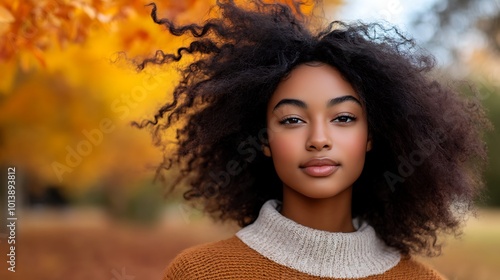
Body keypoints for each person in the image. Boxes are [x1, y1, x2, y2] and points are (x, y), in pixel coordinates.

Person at [132, 0, 491, 279]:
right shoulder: (200, 273)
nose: (319, 139)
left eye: (344, 118)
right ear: (263, 139)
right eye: (292, 119)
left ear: (371, 136)